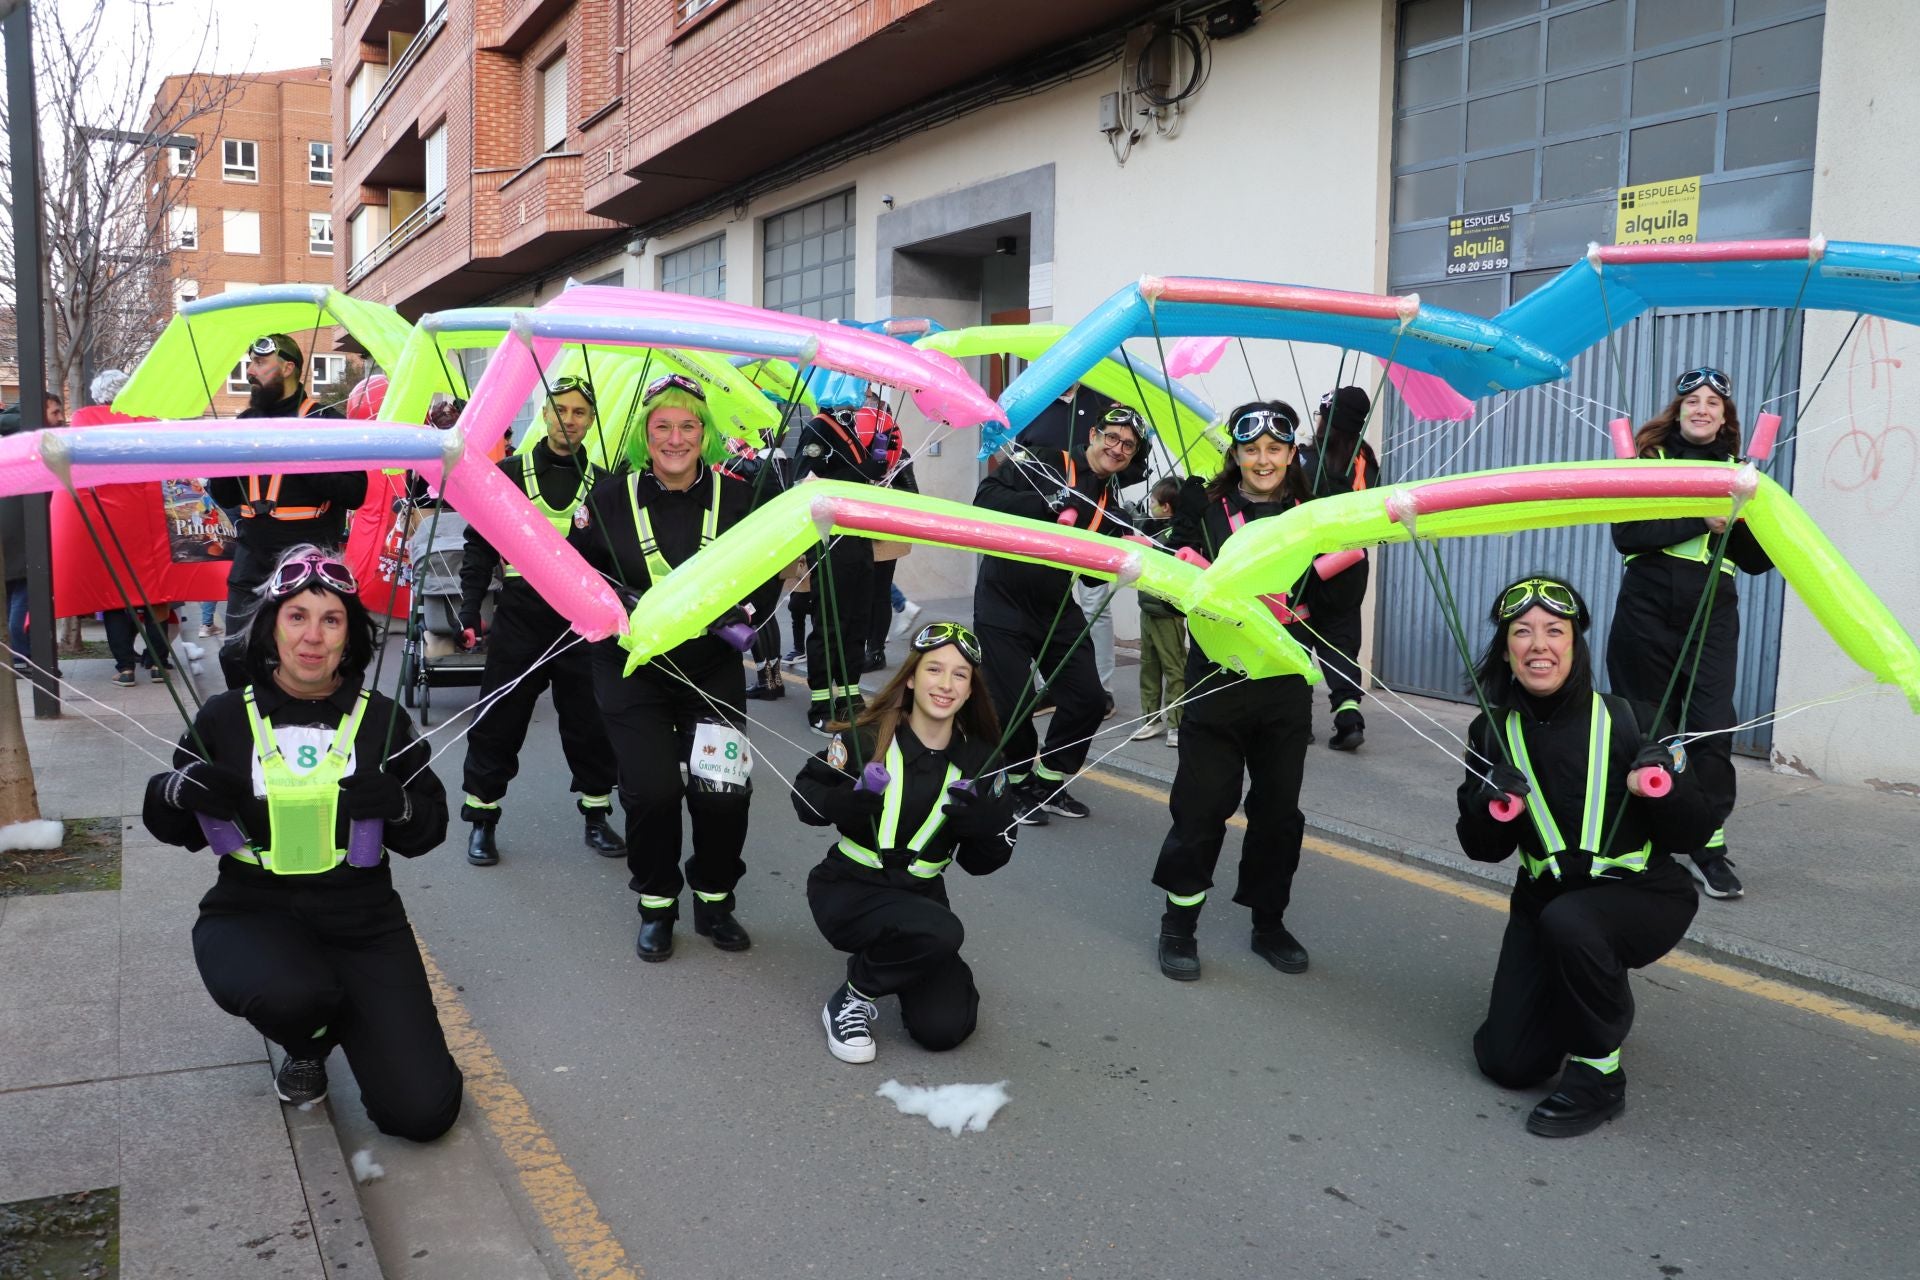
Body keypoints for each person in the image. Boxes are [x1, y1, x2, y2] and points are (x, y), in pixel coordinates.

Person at [139, 544, 461, 1140]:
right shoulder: (223, 718)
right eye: (297, 616)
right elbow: (167, 823)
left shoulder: (384, 720)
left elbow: (429, 830)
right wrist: (180, 790)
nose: (313, 636)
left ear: (349, 636)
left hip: (364, 919)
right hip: (251, 910)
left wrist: (401, 804)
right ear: (271, 629)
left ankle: (357, 1015)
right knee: (292, 993)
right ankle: (309, 1039)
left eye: (331, 619)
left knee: (422, 1113)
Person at [1456, 575, 1712, 1137]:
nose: (1538, 645)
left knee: (1573, 923)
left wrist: (1666, 787)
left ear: (1576, 643)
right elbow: (1483, 850)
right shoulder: (1490, 732)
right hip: (1543, 901)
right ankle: (1573, 994)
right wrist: (1485, 804)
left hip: (1643, 895)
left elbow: (1696, 829)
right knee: (1507, 1064)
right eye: (1522, 632)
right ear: (1506, 650)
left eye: (1555, 630)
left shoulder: (1636, 719)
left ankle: (1600, 1077)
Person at [572, 374, 778, 961]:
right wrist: (618, 604)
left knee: (722, 791)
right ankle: (656, 904)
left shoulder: (740, 498)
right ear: (645, 435)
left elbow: (769, 573)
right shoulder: (609, 498)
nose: (675, 438)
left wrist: (747, 611)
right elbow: (578, 576)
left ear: (706, 434)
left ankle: (714, 898)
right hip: (629, 669)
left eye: (688, 425)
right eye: (662, 426)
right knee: (653, 792)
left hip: (711, 669)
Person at [793, 621, 1018, 1062]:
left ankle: (901, 957)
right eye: (935, 669)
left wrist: (984, 825)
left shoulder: (982, 760)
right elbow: (805, 802)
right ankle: (853, 996)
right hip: (849, 891)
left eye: (960, 675)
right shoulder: (864, 738)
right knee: (942, 931)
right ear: (912, 677)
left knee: (944, 1028)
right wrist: (851, 800)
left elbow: (983, 861)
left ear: (971, 691)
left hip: (920, 901)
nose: (946, 684)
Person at [1152, 401, 1315, 982]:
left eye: (1275, 449)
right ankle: (1179, 924)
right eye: (1251, 449)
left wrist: (1310, 607)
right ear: (1236, 454)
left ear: (1291, 454)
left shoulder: (1315, 514)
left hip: (1284, 687)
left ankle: (1268, 922)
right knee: (1201, 807)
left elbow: (1340, 594)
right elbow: (1165, 579)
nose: (1263, 460)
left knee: (1277, 813)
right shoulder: (1203, 507)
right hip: (1216, 683)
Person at [1606, 368, 1773, 901]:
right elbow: (1627, 534)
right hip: (1647, 605)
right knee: (1645, 724)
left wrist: (1742, 518)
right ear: (1676, 411)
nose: (1701, 409)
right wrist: (1703, 520)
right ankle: (1636, 838)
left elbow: (1757, 563)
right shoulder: (1647, 464)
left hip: (1712, 611)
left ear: (1726, 419)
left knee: (1710, 729)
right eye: (1691, 401)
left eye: (1713, 403)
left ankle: (1708, 845)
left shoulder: (1741, 473)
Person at [454, 375, 624, 866]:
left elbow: (619, 558)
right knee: (498, 722)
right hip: (521, 620)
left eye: (580, 412)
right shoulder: (507, 473)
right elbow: (479, 545)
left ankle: (596, 816)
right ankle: (482, 820)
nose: (569, 420)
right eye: (560, 409)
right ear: (544, 413)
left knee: (590, 724)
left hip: (580, 625)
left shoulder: (608, 483)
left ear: (591, 421)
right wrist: (468, 608)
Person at [973, 405, 1144, 824]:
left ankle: (1047, 783)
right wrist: (1051, 500)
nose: (1117, 449)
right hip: (1003, 598)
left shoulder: (1108, 497)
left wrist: (1116, 548)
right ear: (1093, 434)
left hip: (1053, 606)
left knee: (1088, 698)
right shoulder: (1047, 461)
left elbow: (1087, 581)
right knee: (1012, 705)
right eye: (1112, 437)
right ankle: (1012, 785)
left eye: (1128, 445)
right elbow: (986, 499)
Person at [209, 334, 364, 690]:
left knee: (330, 656)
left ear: (289, 367)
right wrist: (222, 458)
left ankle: (330, 724)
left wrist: (301, 458)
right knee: (235, 653)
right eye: (251, 363)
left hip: (310, 557)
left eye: (260, 363)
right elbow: (224, 493)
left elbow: (357, 492)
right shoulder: (244, 423)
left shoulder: (327, 420)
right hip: (253, 557)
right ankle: (250, 728)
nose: (250, 371)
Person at [793, 401, 891, 732]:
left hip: (858, 537)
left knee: (857, 621)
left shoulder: (848, 425)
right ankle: (821, 702)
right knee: (830, 621)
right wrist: (863, 471)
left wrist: (878, 461)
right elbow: (804, 482)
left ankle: (849, 696)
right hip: (829, 538)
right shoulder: (819, 427)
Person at [1296, 385, 1379, 752]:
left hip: (1308, 566)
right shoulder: (1367, 461)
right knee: (1341, 643)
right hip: (1351, 566)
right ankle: (1349, 717)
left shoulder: (1308, 461)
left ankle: (1298, 722)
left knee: (1296, 640)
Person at [0, 392, 64, 670]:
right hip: (27, 541)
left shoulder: (12, 443)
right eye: (55, 413)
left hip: (14, 540)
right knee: (23, 605)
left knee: (15, 600)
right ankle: (23, 657)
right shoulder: (35, 446)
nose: (61, 419)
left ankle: (19, 656)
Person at [1131, 478, 1187, 747]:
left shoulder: (1176, 536)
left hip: (1167, 612)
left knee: (1173, 666)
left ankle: (1177, 722)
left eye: (1152, 502)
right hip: (1147, 609)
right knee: (1148, 667)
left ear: (1166, 507)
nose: (1148, 506)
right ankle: (1150, 719)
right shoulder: (1151, 530)